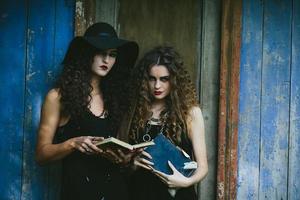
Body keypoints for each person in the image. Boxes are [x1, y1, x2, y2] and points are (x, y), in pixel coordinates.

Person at [35, 22, 139, 200]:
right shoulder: (58, 97)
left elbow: (119, 150)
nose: (106, 60)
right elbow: (41, 154)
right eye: (101, 52)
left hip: (116, 191)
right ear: (86, 53)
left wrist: (124, 159)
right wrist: (73, 143)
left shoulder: (116, 99)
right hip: (78, 192)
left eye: (112, 54)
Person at [119, 46, 208, 200]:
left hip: (177, 194)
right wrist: (133, 164)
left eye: (164, 79)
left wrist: (186, 182)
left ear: (174, 80)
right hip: (140, 192)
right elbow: (121, 161)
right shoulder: (134, 110)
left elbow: (203, 167)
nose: (157, 86)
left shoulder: (190, 112)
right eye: (152, 79)